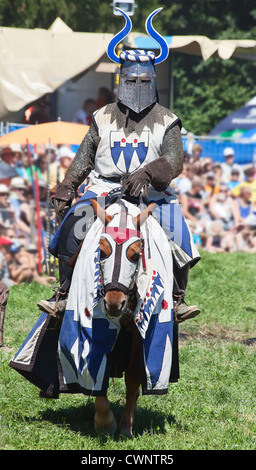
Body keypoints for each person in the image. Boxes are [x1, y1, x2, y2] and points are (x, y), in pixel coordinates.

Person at [38, 10, 200, 324]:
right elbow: (84, 158)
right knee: (73, 225)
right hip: (103, 190)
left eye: (143, 79)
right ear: (120, 79)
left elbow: (174, 161)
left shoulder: (167, 120)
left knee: (178, 231)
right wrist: (68, 186)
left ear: (152, 79)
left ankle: (178, 299)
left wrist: (149, 172)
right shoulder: (101, 117)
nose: (137, 85)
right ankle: (64, 293)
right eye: (131, 79)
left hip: (151, 196)